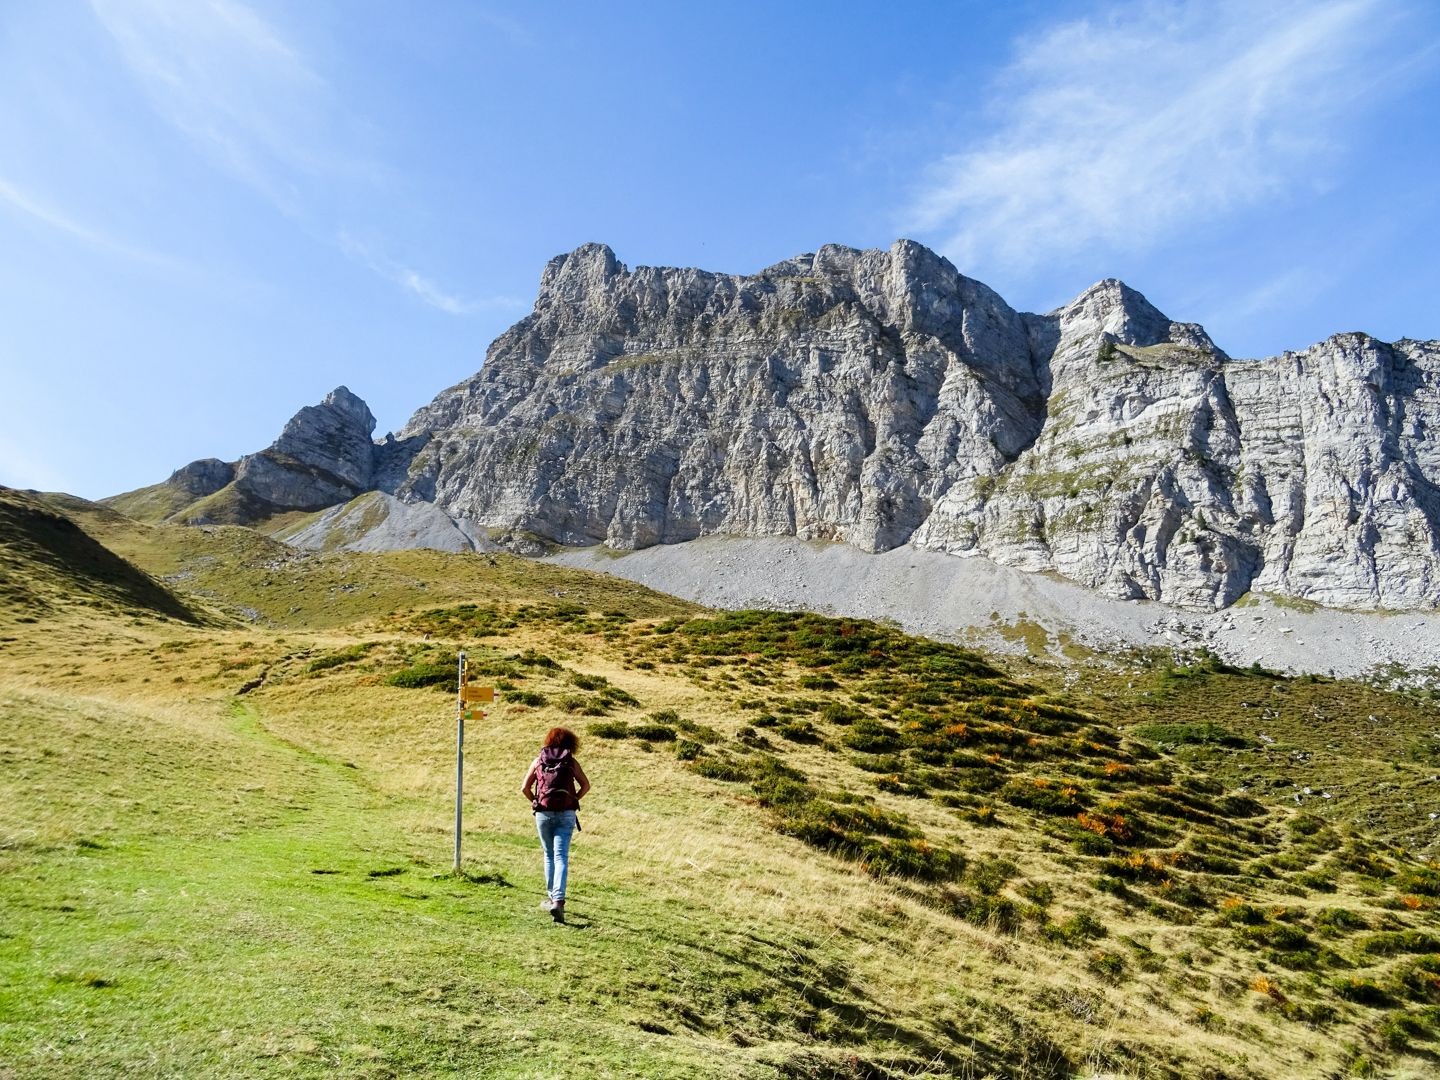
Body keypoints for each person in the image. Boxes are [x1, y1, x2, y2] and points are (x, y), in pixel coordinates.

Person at [521, 726, 590, 923]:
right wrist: (573, 799)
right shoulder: (570, 762)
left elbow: (524, 788)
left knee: (548, 855)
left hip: (543, 812)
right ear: (570, 743)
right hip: (566, 813)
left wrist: (535, 800)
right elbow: (586, 785)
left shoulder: (539, 760)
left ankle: (552, 897)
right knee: (561, 856)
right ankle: (558, 901)